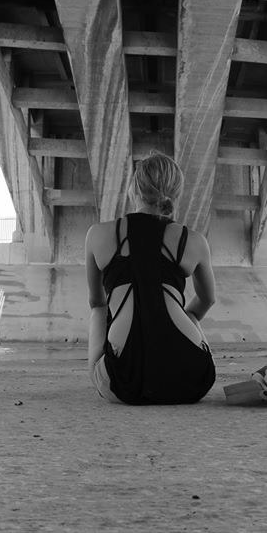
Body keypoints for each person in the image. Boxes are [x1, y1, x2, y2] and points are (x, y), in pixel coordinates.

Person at [85, 152, 216, 404]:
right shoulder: (194, 240)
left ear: (134, 189)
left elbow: (96, 302)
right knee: (188, 314)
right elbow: (207, 300)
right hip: (193, 381)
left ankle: (99, 373)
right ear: (176, 193)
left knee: (100, 310)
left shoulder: (97, 234)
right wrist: (183, 319)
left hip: (124, 385)